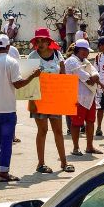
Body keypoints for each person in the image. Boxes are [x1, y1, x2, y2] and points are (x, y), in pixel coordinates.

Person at [26, 29, 72, 174]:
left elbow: (63, 77)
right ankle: (41, 164)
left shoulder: (58, 55)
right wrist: (31, 101)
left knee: (58, 130)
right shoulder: (32, 57)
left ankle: (64, 163)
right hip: (38, 98)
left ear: (48, 41)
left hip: (55, 98)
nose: (40, 43)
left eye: (43, 40)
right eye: (37, 41)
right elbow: (28, 81)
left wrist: (68, 98)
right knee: (43, 130)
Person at [0, 35, 27, 182]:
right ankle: (4, 171)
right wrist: (33, 76)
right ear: (8, 47)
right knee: (7, 142)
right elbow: (17, 84)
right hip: (7, 108)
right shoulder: (12, 62)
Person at [65, 40, 102, 157]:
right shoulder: (71, 61)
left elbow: (95, 72)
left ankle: (89, 146)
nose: (87, 53)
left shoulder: (85, 61)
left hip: (90, 97)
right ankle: (76, 148)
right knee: (76, 123)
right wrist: (94, 78)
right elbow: (87, 78)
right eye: (85, 50)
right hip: (77, 97)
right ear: (79, 50)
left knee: (90, 122)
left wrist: (95, 77)